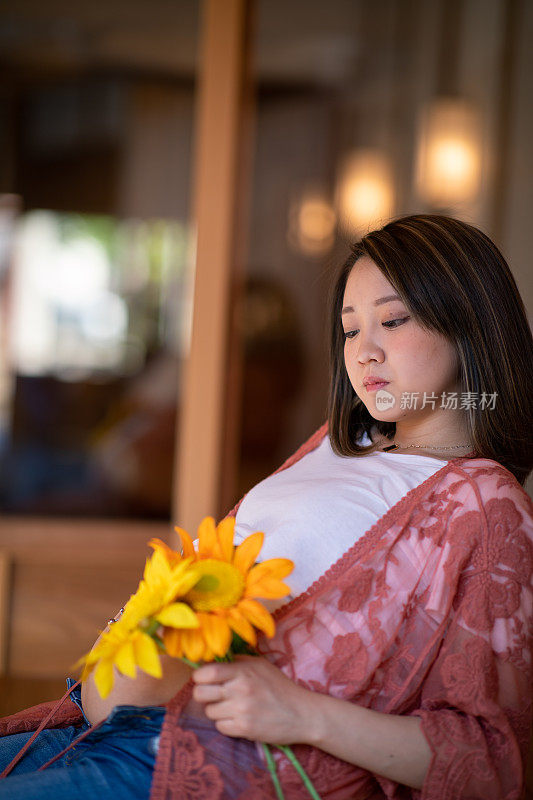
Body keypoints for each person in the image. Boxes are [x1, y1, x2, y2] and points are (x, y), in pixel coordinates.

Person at [0, 213, 532, 800]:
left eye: (393, 320)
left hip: (204, 768)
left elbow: (490, 763)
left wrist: (302, 714)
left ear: (468, 325)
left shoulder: (485, 501)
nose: (365, 352)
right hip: (108, 725)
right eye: (350, 329)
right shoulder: (337, 440)